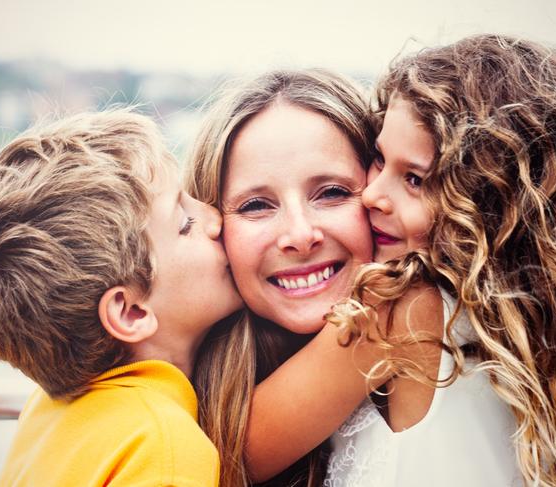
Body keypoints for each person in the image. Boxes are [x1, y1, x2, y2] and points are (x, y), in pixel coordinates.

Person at [325, 34, 556, 486]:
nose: (373, 193)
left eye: (416, 180)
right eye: (379, 159)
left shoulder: (406, 312)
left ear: (497, 205)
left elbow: (243, 447)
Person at [187, 69, 437, 486]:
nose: (301, 236)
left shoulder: (404, 310)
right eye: (255, 206)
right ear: (212, 225)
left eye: (333, 193)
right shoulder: (180, 375)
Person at [0, 109, 241, 486]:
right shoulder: (164, 448)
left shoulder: (43, 412)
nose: (215, 219)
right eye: (184, 224)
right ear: (129, 312)